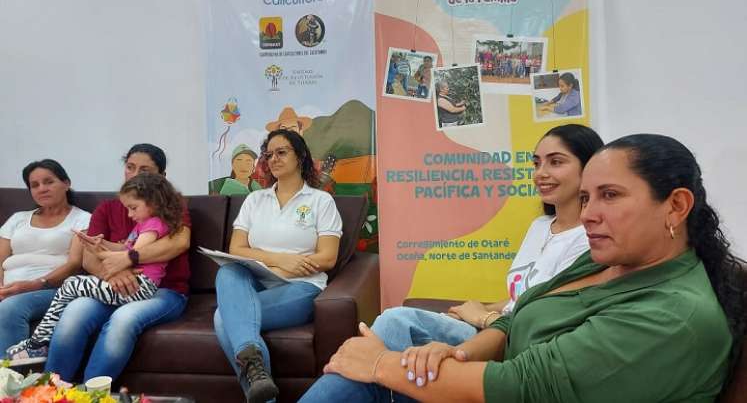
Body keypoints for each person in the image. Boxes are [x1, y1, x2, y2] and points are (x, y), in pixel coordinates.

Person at [300, 133, 745, 402]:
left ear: (677, 206)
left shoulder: (675, 317)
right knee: (378, 350)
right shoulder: (609, 257)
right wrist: (457, 352)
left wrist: (380, 364)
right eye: (587, 197)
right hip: (487, 379)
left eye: (610, 195)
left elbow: (521, 386)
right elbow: (518, 314)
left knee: (369, 359)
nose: (588, 213)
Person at [366, 124, 602, 354]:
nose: (541, 173)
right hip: (495, 327)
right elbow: (519, 299)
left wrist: (482, 316)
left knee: (394, 322)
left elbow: (546, 322)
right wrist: (469, 309)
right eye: (536, 163)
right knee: (391, 340)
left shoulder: (591, 240)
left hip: (514, 342)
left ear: (590, 168)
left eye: (556, 162)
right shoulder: (539, 226)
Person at [44, 144, 192, 383]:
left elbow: (178, 243)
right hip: (113, 286)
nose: (135, 175)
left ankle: (91, 395)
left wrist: (127, 259)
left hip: (164, 290)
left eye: (144, 170)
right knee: (75, 312)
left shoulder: (171, 205)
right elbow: (90, 255)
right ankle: (51, 392)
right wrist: (112, 274)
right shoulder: (107, 208)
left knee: (123, 320)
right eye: (130, 167)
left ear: (161, 178)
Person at [214, 129, 342, 403]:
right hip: (260, 281)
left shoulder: (321, 201)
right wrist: (282, 261)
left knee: (223, 318)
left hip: (302, 286)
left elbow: (328, 257)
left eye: (282, 152)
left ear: (301, 156)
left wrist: (288, 269)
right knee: (228, 270)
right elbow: (236, 250)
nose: (273, 159)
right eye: (269, 154)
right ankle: (258, 378)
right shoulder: (255, 200)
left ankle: (260, 386)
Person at [7, 172, 184, 363]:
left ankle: (38, 344)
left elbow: (130, 257)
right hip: (138, 286)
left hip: (139, 287)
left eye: (133, 208)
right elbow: (125, 249)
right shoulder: (144, 225)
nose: (130, 215)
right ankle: (38, 342)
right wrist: (101, 244)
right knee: (71, 287)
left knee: (71, 284)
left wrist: (100, 254)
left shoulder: (152, 225)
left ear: (154, 203)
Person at [0, 159, 91, 358]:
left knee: (9, 308)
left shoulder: (83, 219)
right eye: (35, 185)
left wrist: (32, 285)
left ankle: (10, 382)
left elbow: (75, 264)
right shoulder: (17, 219)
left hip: (53, 289)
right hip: (9, 289)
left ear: (66, 183)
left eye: (48, 182)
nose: (42, 189)